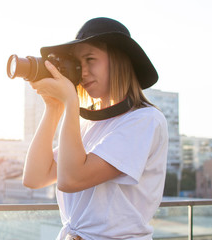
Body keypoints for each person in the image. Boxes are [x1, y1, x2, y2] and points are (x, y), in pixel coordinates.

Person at [22, 17, 168, 240]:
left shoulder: (146, 120)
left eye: (90, 59)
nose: (83, 72)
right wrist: (53, 108)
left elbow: (71, 180)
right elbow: (34, 177)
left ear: (119, 61)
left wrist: (71, 102)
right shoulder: (85, 124)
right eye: (79, 63)